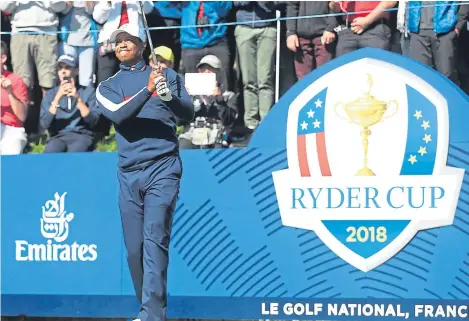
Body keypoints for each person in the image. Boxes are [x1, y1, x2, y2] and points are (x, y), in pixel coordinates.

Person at [95, 23, 194, 321]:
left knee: (154, 240)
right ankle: (148, 309)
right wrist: (148, 90)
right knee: (135, 251)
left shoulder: (168, 76)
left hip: (163, 167)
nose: (121, 43)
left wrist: (168, 96)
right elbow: (119, 115)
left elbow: (187, 113)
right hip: (128, 174)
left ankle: (152, 315)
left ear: (142, 44)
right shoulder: (107, 86)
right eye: (117, 41)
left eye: (128, 39)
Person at [40, 55, 100, 153]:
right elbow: (45, 123)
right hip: (58, 136)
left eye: (67, 67)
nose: (63, 71)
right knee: (50, 154)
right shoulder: (50, 94)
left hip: (81, 135)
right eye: (60, 68)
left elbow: (93, 121)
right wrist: (57, 98)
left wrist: (77, 99)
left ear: (76, 70)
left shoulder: (87, 91)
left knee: (75, 154)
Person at [179, 55, 238, 149]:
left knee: (218, 147)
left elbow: (228, 121)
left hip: (217, 134)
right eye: (203, 69)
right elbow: (179, 121)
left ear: (219, 73)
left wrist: (219, 99)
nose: (206, 72)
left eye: (210, 69)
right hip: (192, 133)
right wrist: (187, 100)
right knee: (182, 147)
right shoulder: (190, 94)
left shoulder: (228, 96)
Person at [0, 41, 29, 155]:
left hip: (12, 129)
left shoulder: (15, 80)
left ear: (3, 58)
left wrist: (10, 92)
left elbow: (22, 117)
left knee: (10, 158)